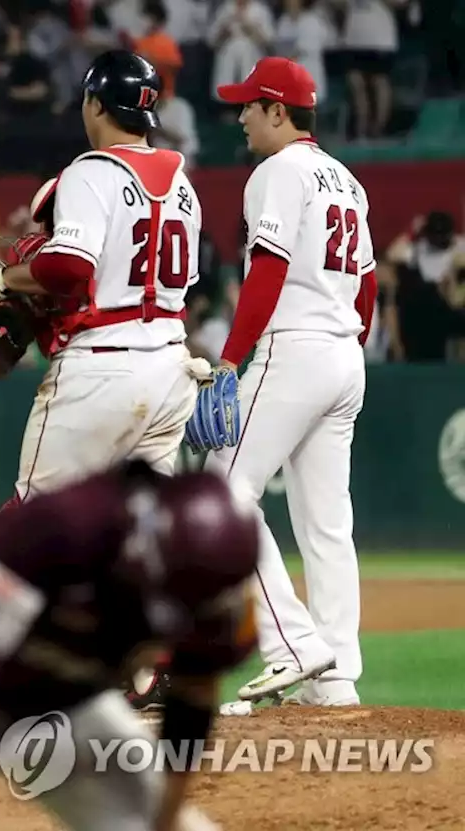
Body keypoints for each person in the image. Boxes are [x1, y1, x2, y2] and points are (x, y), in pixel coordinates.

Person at [0, 461, 259, 831]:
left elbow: (193, 696)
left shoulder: (216, 591)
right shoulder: (63, 528)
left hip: (57, 692)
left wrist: (165, 819)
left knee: (152, 820)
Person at [208, 57, 375, 707]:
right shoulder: (348, 180)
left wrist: (230, 357)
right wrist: (348, 341)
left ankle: (292, 645)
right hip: (342, 356)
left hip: (296, 346)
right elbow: (367, 284)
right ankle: (336, 678)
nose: (242, 116)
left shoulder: (277, 171)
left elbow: (268, 271)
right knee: (327, 520)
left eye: (250, 105)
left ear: (280, 111)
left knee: (219, 492)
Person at [0, 50, 208, 502]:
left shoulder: (91, 171)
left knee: (35, 526)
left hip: (103, 367)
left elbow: (70, 267)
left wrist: (8, 280)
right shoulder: (183, 185)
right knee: (143, 531)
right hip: (171, 368)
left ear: (94, 104)